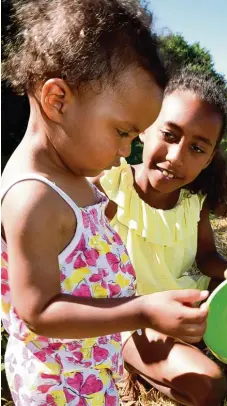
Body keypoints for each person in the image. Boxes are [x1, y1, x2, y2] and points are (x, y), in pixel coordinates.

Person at [0, 2, 210, 405]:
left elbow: (74, 236)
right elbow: (39, 311)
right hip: (60, 385)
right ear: (57, 100)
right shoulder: (33, 197)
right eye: (121, 132)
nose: (127, 150)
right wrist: (142, 311)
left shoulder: (69, 171)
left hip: (90, 363)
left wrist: (97, 216)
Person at [97, 69, 227, 405]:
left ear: (210, 157)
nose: (176, 158)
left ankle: (153, 365)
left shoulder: (193, 203)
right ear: (145, 127)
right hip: (131, 317)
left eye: (197, 148)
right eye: (169, 135)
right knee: (211, 384)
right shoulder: (109, 187)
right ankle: (132, 362)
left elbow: (206, 259)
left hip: (185, 305)